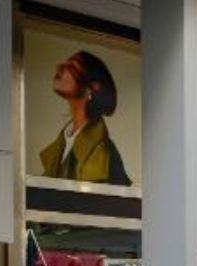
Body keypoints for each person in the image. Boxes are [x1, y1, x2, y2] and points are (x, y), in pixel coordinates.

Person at [40, 51, 131, 185]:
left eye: (72, 66)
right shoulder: (62, 144)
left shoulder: (102, 153)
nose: (59, 67)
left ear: (92, 88)